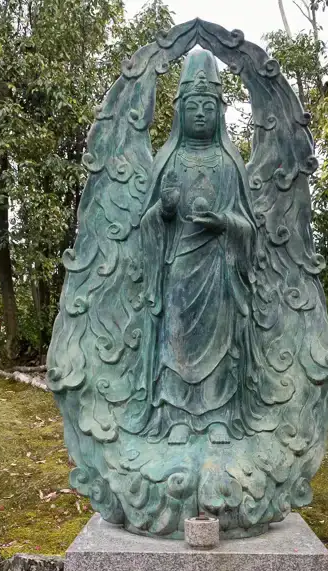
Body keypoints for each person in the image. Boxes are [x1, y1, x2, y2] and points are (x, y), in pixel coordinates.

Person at [139, 49, 260, 445]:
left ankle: (218, 417)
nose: (202, 114)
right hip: (179, 268)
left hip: (219, 268)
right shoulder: (169, 161)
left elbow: (249, 226)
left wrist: (224, 222)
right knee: (175, 343)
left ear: (220, 112)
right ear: (180, 112)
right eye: (194, 106)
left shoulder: (228, 164)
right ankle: (176, 417)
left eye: (209, 106)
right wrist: (164, 210)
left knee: (221, 344)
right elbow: (147, 223)